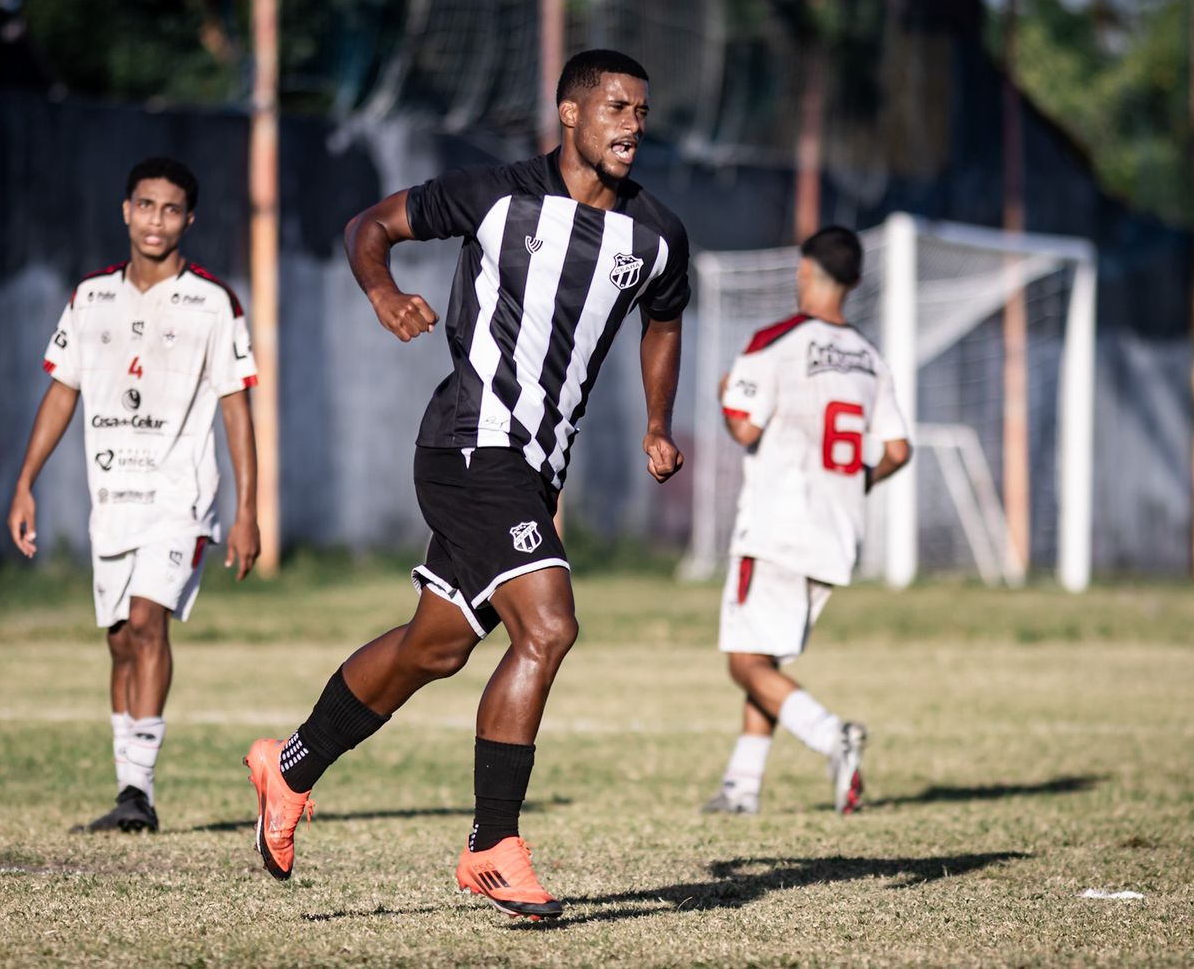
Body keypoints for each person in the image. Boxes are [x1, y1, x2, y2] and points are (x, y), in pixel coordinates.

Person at [242, 49, 688, 921]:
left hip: (534, 465)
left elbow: (664, 322)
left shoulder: (658, 234)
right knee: (549, 626)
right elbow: (369, 226)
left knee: (435, 647)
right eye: (616, 107)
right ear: (570, 114)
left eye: (642, 109)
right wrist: (381, 292)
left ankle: (286, 769)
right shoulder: (494, 195)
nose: (633, 124)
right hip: (469, 442)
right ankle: (492, 845)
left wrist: (658, 421)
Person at [8, 156, 261, 833]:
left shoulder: (214, 302)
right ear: (126, 211)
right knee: (121, 639)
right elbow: (62, 390)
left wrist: (248, 511)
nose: (157, 220)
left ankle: (140, 795)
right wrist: (25, 483)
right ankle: (128, 789)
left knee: (149, 625)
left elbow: (237, 408)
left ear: (189, 220)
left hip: (181, 497)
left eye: (171, 209)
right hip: (112, 497)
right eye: (146, 206)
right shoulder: (90, 298)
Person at [700, 225, 911, 817]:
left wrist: (726, 396)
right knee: (764, 661)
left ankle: (831, 736)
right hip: (836, 535)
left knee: (744, 662)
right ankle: (742, 786)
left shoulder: (777, 339)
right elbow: (896, 451)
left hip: (776, 527)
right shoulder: (870, 359)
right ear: (855, 281)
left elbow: (744, 426)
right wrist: (850, 485)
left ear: (805, 271)